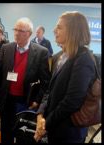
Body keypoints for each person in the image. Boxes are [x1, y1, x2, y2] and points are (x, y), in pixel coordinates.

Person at [34, 11, 95, 143]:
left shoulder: (84, 59)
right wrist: (40, 114)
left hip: (69, 133)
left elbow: (72, 101)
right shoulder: (59, 57)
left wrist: (45, 124)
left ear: (73, 31)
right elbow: (49, 90)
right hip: (54, 127)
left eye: (59, 27)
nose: (54, 30)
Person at [0, 17, 51, 143]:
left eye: (21, 31)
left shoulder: (41, 52)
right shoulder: (6, 48)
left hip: (26, 102)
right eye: (15, 30)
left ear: (29, 33)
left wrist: (37, 100)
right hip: (7, 100)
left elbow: (46, 82)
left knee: (23, 135)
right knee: (5, 134)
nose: (17, 33)